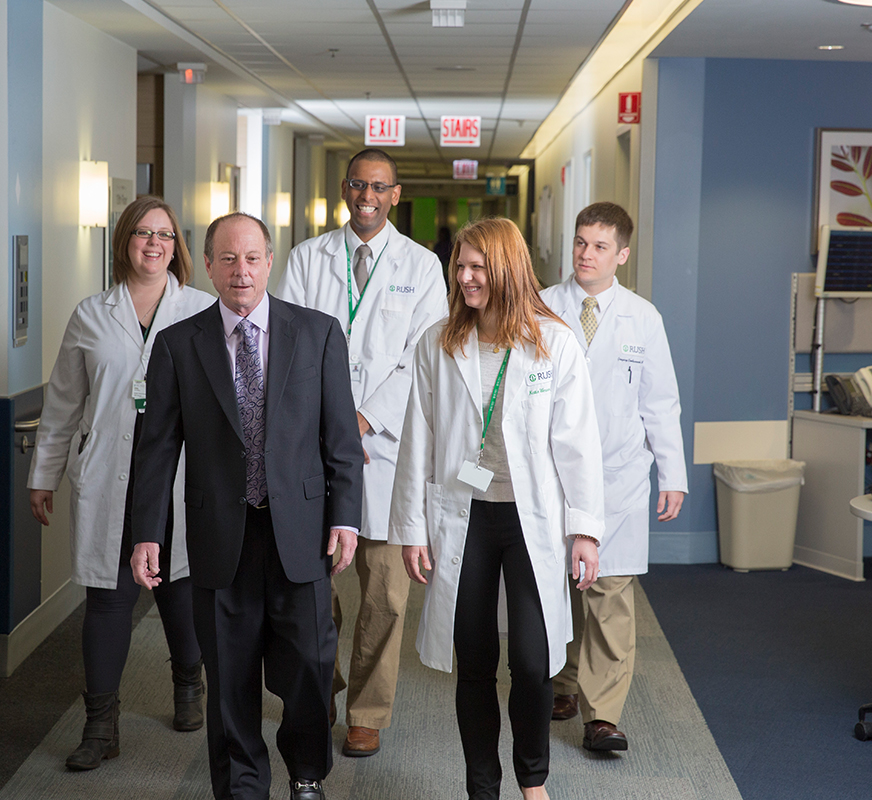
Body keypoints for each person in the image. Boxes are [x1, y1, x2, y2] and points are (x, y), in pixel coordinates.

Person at [130, 212, 365, 800]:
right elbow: (156, 451)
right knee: (230, 678)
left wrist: (345, 516)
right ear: (207, 266)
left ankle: (307, 774)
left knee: (310, 669)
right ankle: (241, 787)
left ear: (270, 261)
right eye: (228, 259)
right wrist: (146, 534)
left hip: (301, 534)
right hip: (220, 537)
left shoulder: (319, 333)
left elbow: (340, 438)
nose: (241, 271)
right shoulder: (178, 345)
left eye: (253, 258)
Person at [389, 217, 605, 800]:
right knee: (475, 660)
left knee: (533, 663)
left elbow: (577, 441)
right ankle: (482, 786)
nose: (464, 278)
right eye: (459, 266)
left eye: (477, 267)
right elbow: (419, 439)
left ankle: (533, 781)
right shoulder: (439, 341)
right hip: (466, 519)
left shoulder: (552, 340)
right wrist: (412, 528)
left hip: (532, 520)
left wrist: (586, 529)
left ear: (507, 268)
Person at [27, 196, 215, 771]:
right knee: (108, 601)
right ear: (123, 243)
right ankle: (99, 727)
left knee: (179, 591)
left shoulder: (203, 311)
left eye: (164, 235)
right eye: (141, 233)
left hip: (180, 478)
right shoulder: (90, 314)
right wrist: (44, 473)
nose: (153, 244)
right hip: (109, 474)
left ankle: (189, 682)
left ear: (177, 247)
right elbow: (63, 403)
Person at [277, 148, 447, 757]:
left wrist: (363, 419)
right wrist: (329, 426)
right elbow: (286, 346)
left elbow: (420, 359)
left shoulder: (423, 267)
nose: (367, 196)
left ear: (395, 194)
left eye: (379, 187)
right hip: (312, 450)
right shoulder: (305, 259)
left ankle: (367, 711)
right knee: (310, 587)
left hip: (385, 452)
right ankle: (319, 688)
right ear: (344, 189)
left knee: (384, 595)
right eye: (357, 185)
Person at [540, 201, 687, 752]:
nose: (586, 254)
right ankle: (561, 682)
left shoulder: (642, 317)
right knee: (555, 585)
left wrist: (672, 472)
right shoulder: (543, 306)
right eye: (580, 242)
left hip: (619, 474)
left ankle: (602, 715)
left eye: (600, 246)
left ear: (622, 254)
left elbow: (661, 401)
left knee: (609, 592)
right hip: (553, 473)